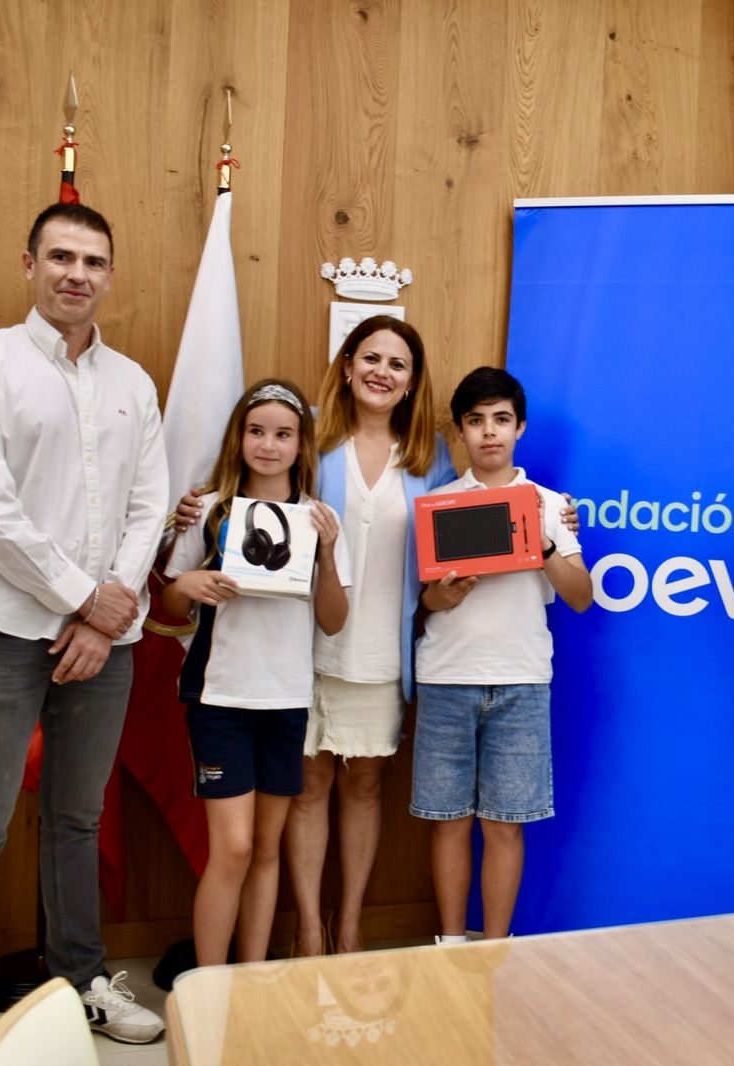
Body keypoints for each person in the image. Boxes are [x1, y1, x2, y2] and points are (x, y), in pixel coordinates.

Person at [0, 203, 168, 1065]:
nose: (76, 274)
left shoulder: (133, 383)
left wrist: (108, 611)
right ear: (29, 265)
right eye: (61, 257)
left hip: (107, 640)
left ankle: (82, 982)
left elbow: (148, 506)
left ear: (109, 275)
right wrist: (83, 601)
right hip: (0, 630)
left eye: (93, 262)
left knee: (76, 820)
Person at [163, 379, 351, 968]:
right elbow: (168, 603)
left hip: (285, 700)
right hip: (220, 698)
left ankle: (250, 981)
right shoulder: (209, 509)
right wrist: (188, 584)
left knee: (267, 847)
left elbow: (334, 621)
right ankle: (209, 986)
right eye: (256, 432)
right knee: (236, 847)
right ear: (238, 437)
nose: (268, 445)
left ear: (301, 445)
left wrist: (326, 557)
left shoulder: (319, 518)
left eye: (283, 434)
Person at [281, 316, 454, 956]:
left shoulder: (431, 458)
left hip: (384, 649)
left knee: (364, 787)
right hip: (303, 647)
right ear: (349, 365)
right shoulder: (310, 439)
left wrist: (551, 516)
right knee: (307, 789)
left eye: (397, 364)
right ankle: (308, 929)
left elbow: (459, 537)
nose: (382, 372)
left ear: (411, 383)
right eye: (371, 358)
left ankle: (349, 924)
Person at [412, 366, 593, 941]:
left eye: (501, 419)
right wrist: (440, 596)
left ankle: (495, 950)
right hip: (446, 676)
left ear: (520, 428)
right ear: (459, 431)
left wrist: (543, 541)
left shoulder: (549, 505)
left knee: (505, 824)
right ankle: (450, 944)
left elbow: (581, 597)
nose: (489, 431)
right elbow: (423, 600)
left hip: (521, 679)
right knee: (448, 821)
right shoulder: (438, 504)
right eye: (476, 421)